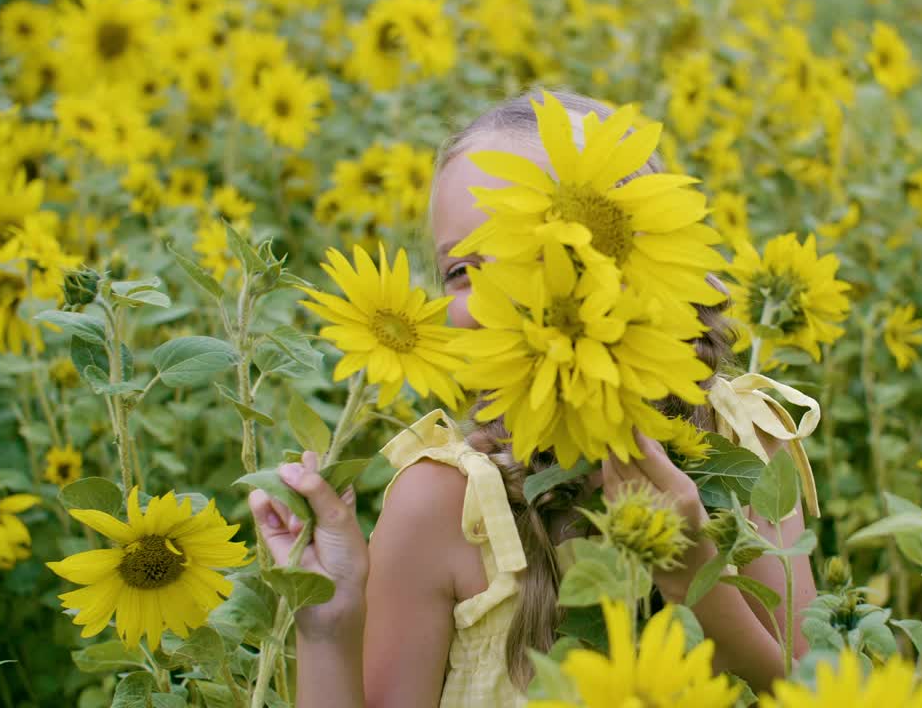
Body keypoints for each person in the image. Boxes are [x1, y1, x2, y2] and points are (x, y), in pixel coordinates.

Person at [250, 90, 820, 708]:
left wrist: (693, 575)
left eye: (536, 250)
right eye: (462, 270)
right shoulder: (442, 504)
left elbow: (812, 692)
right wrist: (328, 626)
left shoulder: (738, 439)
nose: (500, 290)